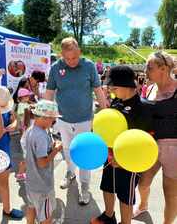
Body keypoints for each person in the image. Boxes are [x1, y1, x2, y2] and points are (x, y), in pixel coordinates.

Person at [45, 37, 107, 205]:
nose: (71, 61)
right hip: (63, 119)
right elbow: (49, 93)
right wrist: (45, 115)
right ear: (61, 55)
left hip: (84, 119)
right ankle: (70, 172)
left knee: (84, 153)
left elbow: (98, 90)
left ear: (79, 51)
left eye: (74, 57)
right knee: (67, 149)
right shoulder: (56, 68)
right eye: (67, 58)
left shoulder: (89, 66)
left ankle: (85, 186)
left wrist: (105, 111)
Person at [91, 66, 152, 224]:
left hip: (129, 161)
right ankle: (109, 215)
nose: (111, 90)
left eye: (114, 87)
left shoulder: (143, 107)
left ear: (127, 86)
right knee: (107, 186)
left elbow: (145, 139)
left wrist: (124, 158)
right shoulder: (116, 101)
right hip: (110, 155)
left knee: (125, 195)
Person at [134, 51, 177, 224]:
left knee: (170, 193)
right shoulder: (149, 88)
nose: (145, 71)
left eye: (149, 67)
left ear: (163, 68)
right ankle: (143, 205)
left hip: (174, 148)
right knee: (142, 183)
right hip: (151, 146)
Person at [25, 99, 62, 224]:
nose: (54, 121)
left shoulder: (31, 130)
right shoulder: (41, 136)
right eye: (52, 118)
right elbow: (42, 163)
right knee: (46, 215)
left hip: (31, 182)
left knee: (31, 207)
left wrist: (51, 148)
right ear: (44, 117)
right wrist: (56, 150)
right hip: (42, 186)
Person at [0, 86, 24, 220]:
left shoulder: (6, 109)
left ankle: (7, 209)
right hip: (0, 153)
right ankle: (7, 210)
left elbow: (15, 121)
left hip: (4, 150)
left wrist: (10, 127)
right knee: (3, 183)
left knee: (3, 183)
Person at [15, 88, 34, 181]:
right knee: (27, 157)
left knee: (27, 156)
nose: (29, 97)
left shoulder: (23, 104)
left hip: (25, 132)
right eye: (27, 96)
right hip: (26, 133)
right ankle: (20, 174)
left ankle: (23, 172)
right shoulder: (23, 106)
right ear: (22, 97)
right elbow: (23, 117)